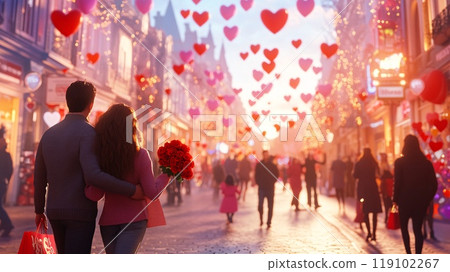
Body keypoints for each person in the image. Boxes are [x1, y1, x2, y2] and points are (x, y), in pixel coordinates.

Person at [34, 81, 144, 254]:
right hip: (80, 212)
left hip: (54, 210)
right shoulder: (89, 133)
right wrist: (131, 190)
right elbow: (93, 175)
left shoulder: (49, 134)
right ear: (91, 104)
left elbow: (39, 176)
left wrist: (39, 210)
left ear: (68, 100)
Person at [84, 104, 169, 254]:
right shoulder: (140, 155)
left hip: (108, 222)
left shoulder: (102, 156)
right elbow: (152, 192)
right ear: (132, 127)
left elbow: (94, 194)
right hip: (134, 220)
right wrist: (167, 173)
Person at [393, 135, 437, 254]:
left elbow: (397, 183)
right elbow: (434, 184)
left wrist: (395, 200)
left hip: (404, 201)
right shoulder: (426, 163)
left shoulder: (399, 162)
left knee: (404, 229)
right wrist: (427, 198)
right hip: (420, 202)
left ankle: (409, 254)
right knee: (418, 230)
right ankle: (418, 255)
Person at [353, 148, 382, 242]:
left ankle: (369, 232)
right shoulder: (374, 163)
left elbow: (355, 176)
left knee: (365, 211)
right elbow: (379, 174)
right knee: (374, 213)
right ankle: (374, 233)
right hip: (373, 189)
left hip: (363, 189)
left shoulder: (359, 163)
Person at [254, 150, 279, 228]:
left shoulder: (272, 165)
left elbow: (277, 174)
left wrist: (272, 182)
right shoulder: (259, 165)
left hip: (270, 188)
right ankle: (261, 220)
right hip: (261, 188)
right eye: (265, 155)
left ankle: (269, 221)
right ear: (263, 155)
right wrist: (259, 182)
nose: (266, 156)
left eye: (267, 155)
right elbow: (256, 175)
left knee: (270, 206)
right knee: (260, 205)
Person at [0, 127, 14, 237]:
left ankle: (7, 224)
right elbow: (10, 170)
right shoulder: (6, 155)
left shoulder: (4, 155)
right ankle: (5, 223)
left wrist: (6, 180)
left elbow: (9, 170)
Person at [379, 153, 394, 224]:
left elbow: (380, 175)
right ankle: (389, 217)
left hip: (386, 190)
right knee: (390, 204)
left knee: (387, 204)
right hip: (389, 191)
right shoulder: (388, 167)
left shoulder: (383, 166)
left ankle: (387, 217)